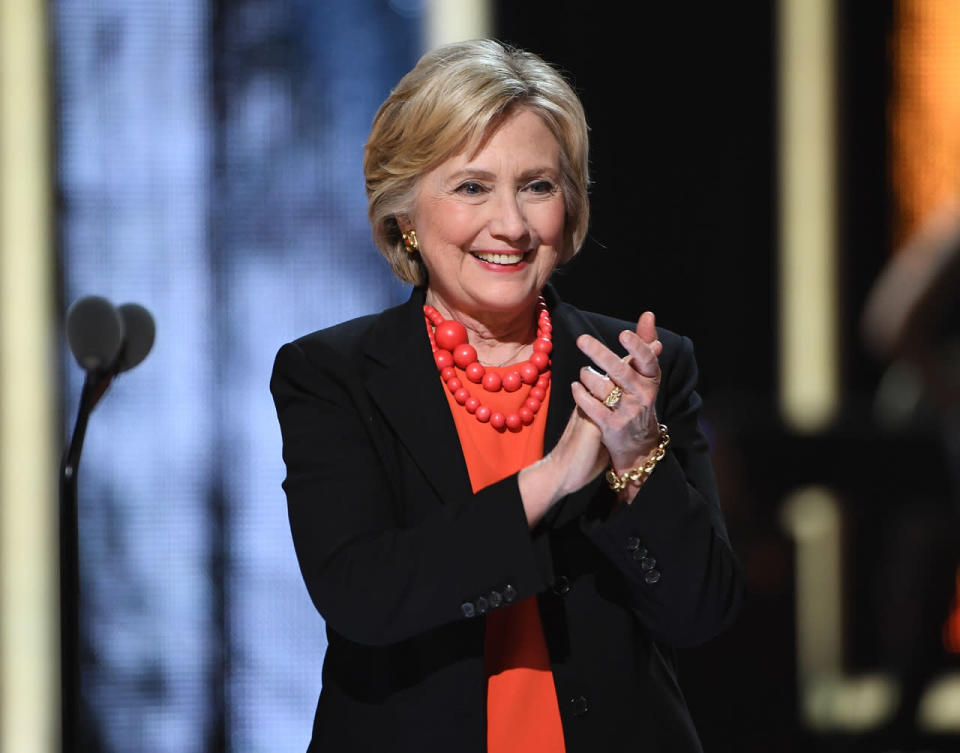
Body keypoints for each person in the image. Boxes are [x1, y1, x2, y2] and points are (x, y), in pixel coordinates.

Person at [271, 39, 742, 753]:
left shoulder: (642, 369)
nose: (512, 225)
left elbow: (701, 612)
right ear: (405, 213)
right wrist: (551, 479)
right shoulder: (331, 375)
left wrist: (637, 455)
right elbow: (363, 594)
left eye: (537, 185)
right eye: (471, 187)